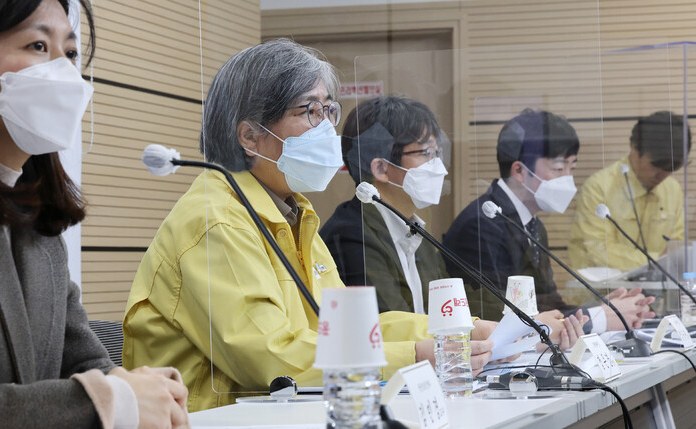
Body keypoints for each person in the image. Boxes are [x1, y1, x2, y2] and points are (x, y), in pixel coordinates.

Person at [123, 40, 504, 412]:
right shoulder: (216, 221)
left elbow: (348, 330)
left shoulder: (293, 213)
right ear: (250, 136)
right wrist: (415, 355)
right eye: (309, 111)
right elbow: (271, 358)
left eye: (329, 110)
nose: (326, 129)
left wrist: (457, 329)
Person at [0, 1, 188, 428]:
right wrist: (112, 402)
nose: (64, 72)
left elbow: (85, 365)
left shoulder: (35, 216)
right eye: (37, 45)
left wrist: (147, 392)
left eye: (70, 53)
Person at [321, 96, 586, 349]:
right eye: (426, 153)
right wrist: (519, 328)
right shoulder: (353, 234)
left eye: (438, 153)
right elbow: (391, 326)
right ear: (381, 168)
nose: (439, 167)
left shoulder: (414, 231)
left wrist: (524, 324)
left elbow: (455, 305)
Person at [443, 109, 654, 333]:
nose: (568, 179)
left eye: (572, 168)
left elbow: (549, 305)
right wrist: (597, 318)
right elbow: (501, 318)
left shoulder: (534, 226)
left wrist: (600, 310)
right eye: (558, 168)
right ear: (519, 170)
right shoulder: (481, 226)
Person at [569, 111, 691, 272]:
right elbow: (599, 250)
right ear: (634, 148)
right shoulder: (599, 188)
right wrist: (658, 259)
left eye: (672, 168)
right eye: (656, 165)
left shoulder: (672, 189)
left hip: (656, 285)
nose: (663, 174)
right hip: (602, 285)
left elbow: (676, 247)